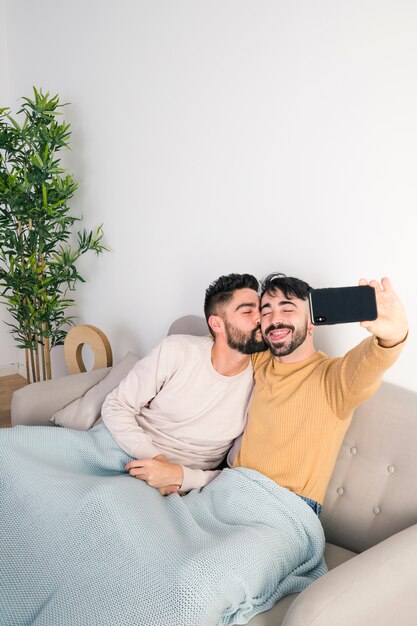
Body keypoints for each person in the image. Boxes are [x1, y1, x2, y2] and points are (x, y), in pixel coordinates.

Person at [233, 273, 408, 515]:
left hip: (287, 510)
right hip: (233, 491)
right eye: (266, 311)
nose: (274, 320)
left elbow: (371, 361)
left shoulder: (334, 379)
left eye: (287, 309)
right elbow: (224, 337)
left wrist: (394, 335)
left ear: (312, 320)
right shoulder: (260, 360)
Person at [101, 272, 266, 495]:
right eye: (248, 311)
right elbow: (116, 406)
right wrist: (158, 463)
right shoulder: (177, 350)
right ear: (216, 323)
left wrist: (180, 476)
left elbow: (237, 471)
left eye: (261, 310)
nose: (260, 318)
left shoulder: (263, 382)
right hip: (125, 450)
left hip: (187, 485)